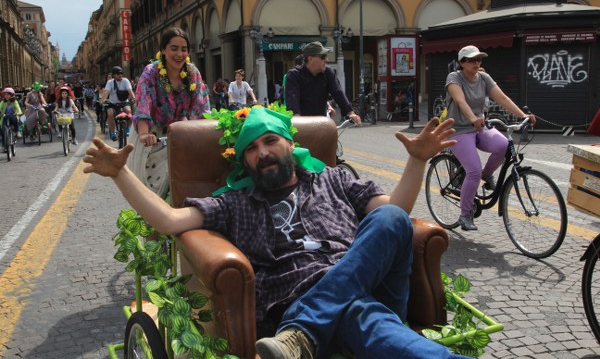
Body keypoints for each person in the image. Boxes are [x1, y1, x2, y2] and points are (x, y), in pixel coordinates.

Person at [83, 105, 464, 359]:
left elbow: (395, 214)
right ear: (244, 161)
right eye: (251, 149)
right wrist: (120, 173)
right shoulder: (235, 203)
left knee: (391, 218)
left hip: (367, 286)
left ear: (290, 144)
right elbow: (168, 221)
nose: (262, 152)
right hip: (301, 298)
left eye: (270, 141)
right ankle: (309, 325)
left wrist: (416, 161)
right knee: (360, 314)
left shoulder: (334, 179)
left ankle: (302, 333)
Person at [445, 45, 537, 231]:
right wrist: (473, 119)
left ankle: (487, 175)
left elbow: (502, 98)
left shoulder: (484, 78)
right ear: (462, 62)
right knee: (473, 171)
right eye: (472, 60)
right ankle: (465, 214)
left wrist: (523, 116)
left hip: (480, 127)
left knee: (503, 145)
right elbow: (460, 101)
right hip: (459, 130)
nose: (476, 63)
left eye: (479, 59)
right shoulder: (454, 78)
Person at [130, 26, 210, 198]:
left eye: (184, 49)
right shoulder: (151, 72)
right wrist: (144, 134)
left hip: (180, 132)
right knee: (149, 193)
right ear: (163, 50)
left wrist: (206, 132)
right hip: (151, 134)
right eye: (174, 48)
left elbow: (201, 107)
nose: (179, 54)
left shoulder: (192, 73)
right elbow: (143, 104)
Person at [285, 42, 361, 126]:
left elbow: (338, 92)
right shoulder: (294, 75)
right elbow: (292, 98)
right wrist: (296, 119)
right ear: (310, 59)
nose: (327, 60)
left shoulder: (328, 73)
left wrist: (350, 113)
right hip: (303, 125)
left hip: (321, 124)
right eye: (323, 57)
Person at [102, 65, 135, 141]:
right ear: (114, 75)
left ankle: (128, 128)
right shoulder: (110, 82)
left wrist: (134, 98)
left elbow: (130, 91)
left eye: (121, 73)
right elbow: (106, 92)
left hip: (124, 103)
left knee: (129, 111)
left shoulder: (125, 81)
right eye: (118, 74)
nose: (120, 75)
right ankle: (113, 132)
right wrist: (103, 100)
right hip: (113, 104)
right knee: (110, 113)